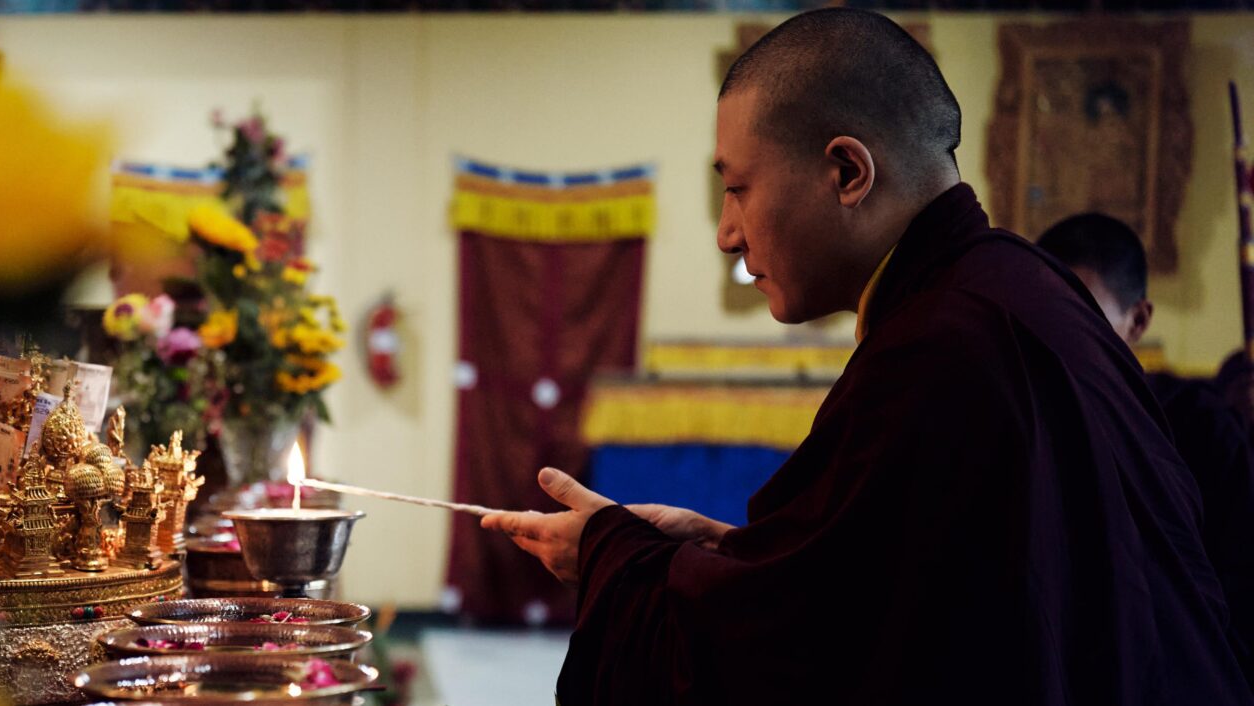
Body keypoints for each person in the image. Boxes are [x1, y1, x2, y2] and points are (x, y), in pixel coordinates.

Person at [482, 8, 1252, 704]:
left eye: (739, 188)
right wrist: (724, 547)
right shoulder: (1014, 286)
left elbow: (803, 657)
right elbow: (908, 589)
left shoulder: (944, 347)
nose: (726, 232)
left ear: (847, 172)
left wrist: (613, 559)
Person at [1035, 212, 1254, 659]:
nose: (1058, 340)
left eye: (1085, 320)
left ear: (1138, 321)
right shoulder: (1024, 415)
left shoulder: (1200, 429)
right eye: (1044, 316)